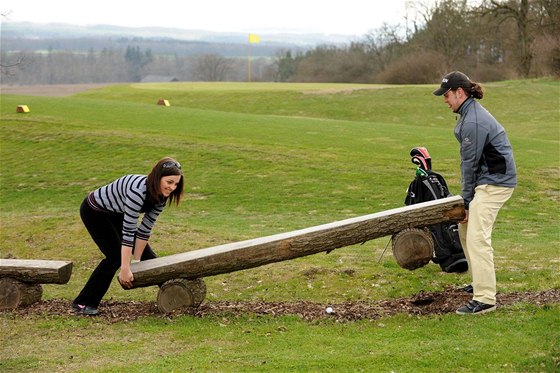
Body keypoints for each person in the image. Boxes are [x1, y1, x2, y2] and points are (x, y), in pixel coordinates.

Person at [433, 71, 517, 315]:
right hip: (488, 180)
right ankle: (479, 281)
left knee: (478, 237)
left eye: (447, 95)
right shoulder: (468, 113)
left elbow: (468, 165)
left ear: (460, 92)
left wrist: (466, 202)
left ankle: (485, 298)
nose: (444, 99)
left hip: (496, 183)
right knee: (465, 230)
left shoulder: (473, 121)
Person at [72, 157, 184, 315]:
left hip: (116, 212)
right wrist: (125, 268)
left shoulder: (161, 197)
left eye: (176, 184)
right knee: (115, 257)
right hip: (95, 211)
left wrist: (136, 263)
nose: (172, 187)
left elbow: (145, 230)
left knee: (147, 254)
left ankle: (176, 296)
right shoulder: (138, 191)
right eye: (169, 182)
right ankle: (83, 303)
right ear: (158, 178)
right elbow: (129, 233)